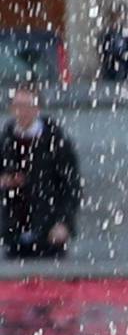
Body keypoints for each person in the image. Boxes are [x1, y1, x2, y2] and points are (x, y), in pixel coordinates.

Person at [0, 84, 80, 260]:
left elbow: (71, 185)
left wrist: (64, 223)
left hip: (49, 232)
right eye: (17, 106)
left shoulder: (55, 141)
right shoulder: (5, 140)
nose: (22, 112)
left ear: (37, 108)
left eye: (27, 106)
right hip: (14, 234)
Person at [97, 7, 128, 85]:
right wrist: (121, 55)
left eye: (119, 18)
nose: (117, 21)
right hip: (112, 72)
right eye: (114, 19)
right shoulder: (106, 35)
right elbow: (105, 53)